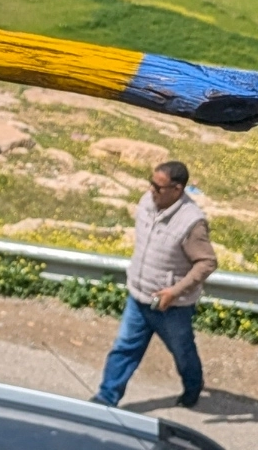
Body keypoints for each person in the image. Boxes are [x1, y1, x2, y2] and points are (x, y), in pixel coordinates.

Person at [93, 161, 216, 409]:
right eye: (151, 184)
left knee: (183, 353)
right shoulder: (147, 202)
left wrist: (174, 291)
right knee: (124, 349)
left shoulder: (192, 223)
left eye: (158, 187)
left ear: (177, 189)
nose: (152, 191)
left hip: (172, 306)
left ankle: (193, 387)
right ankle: (106, 399)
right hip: (139, 296)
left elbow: (207, 262)